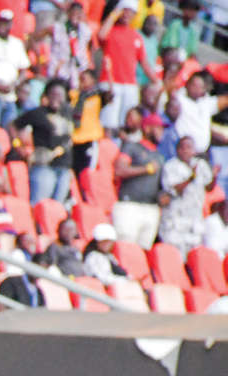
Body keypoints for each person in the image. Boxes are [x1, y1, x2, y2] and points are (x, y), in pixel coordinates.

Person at [98, 1, 158, 131]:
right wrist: (114, 14)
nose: (127, 14)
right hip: (110, 82)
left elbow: (144, 63)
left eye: (130, 12)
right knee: (108, 124)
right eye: (124, 11)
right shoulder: (110, 30)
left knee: (128, 124)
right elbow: (101, 35)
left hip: (130, 85)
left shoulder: (136, 36)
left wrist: (157, 81)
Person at [14, 78, 75, 204]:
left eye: (60, 95)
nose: (56, 98)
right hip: (43, 166)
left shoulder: (68, 114)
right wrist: (18, 146)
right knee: (39, 204)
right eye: (53, 94)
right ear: (47, 95)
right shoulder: (38, 113)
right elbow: (14, 126)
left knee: (58, 208)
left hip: (64, 167)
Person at [112, 106, 163, 246]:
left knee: (142, 253)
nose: (161, 132)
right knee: (125, 247)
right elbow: (119, 170)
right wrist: (145, 169)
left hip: (151, 208)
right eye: (158, 128)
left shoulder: (159, 155)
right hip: (130, 206)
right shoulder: (132, 146)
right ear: (147, 128)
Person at [159, 134, 215, 254]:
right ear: (177, 150)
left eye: (189, 147)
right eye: (182, 147)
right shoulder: (171, 166)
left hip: (195, 219)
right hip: (175, 220)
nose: (185, 150)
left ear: (194, 150)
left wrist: (214, 175)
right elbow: (174, 190)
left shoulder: (200, 164)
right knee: (174, 255)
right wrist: (191, 177)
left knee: (194, 255)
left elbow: (209, 187)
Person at [38, 0, 94, 87]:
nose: (75, 16)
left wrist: (89, 63)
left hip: (76, 70)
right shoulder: (57, 28)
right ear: (68, 13)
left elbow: (91, 46)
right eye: (73, 12)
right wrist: (42, 58)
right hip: (59, 67)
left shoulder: (85, 31)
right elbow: (36, 38)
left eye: (78, 13)